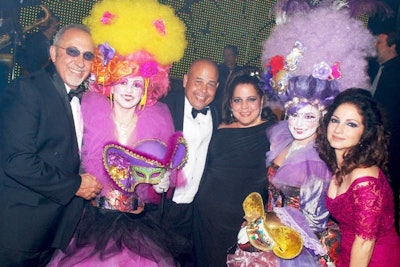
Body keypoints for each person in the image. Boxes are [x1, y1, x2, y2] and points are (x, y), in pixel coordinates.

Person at [47, 0, 188, 266]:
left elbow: (162, 174)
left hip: (137, 225)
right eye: (122, 82)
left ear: (146, 89)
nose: (129, 90)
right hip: (90, 222)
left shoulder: (158, 121)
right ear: (109, 85)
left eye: (136, 84)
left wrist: (161, 183)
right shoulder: (85, 113)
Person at [0, 24, 103, 267]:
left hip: (54, 229)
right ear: (53, 53)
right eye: (72, 52)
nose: (80, 62)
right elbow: (17, 161)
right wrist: (76, 185)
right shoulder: (27, 90)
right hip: (19, 232)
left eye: (88, 56)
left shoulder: (84, 100)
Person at [227, 74, 341, 267]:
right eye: (294, 114)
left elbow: (314, 223)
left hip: (294, 247)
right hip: (268, 234)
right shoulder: (281, 141)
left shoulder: (318, 164)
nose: (299, 123)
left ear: (322, 117)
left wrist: (264, 228)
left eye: (309, 116)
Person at [193, 71, 277, 267]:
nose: (244, 107)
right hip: (207, 218)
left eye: (251, 99)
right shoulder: (220, 128)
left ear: (261, 101)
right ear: (230, 103)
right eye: (238, 100)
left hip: (245, 222)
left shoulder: (274, 133)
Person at [316, 88, 400, 267]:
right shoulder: (341, 165)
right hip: (348, 251)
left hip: (374, 259)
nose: (338, 129)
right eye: (335, 120)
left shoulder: (364, 179)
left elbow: (365, 243)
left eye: (351, 124)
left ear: (365, 133)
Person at [160, 58, 220, 266]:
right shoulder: (164, 106)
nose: (204, 90)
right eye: (198, 81)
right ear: (185, 80)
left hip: (195, 209)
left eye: (211, 84)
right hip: (162, 206)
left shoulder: (218, 114)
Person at [370, 31, 400, 233]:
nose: (375, 45)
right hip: (379, 140)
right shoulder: (380, 69)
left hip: (390, 142)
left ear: (393, 47)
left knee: (388, 186)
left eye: (379, 42)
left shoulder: (396, 72)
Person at [18, 10, 60, 75]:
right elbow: (24, 63)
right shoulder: (31, 39)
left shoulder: (54, 44)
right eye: (51, 21)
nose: (55, 24)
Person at [215, 45, 243, 119]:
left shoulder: (241, 72)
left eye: (230, 55)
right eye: (225, 55)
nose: (227, 58)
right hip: (217, 107)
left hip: (233, 108)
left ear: (236, 56)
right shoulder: (218, 70)